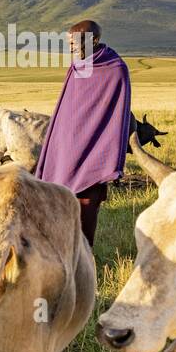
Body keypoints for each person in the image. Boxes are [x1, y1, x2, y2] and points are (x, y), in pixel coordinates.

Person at [34, 19, 131, 247]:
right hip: (67, 150)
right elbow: (66, 112)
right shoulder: (77, 67)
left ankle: (85, 265)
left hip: (94, 154)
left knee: (86, 216)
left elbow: (114, 115)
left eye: (75, 43)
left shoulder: (115, 69)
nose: (70, 48)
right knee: (58, 213)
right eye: (68, 43)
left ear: (93, 40)